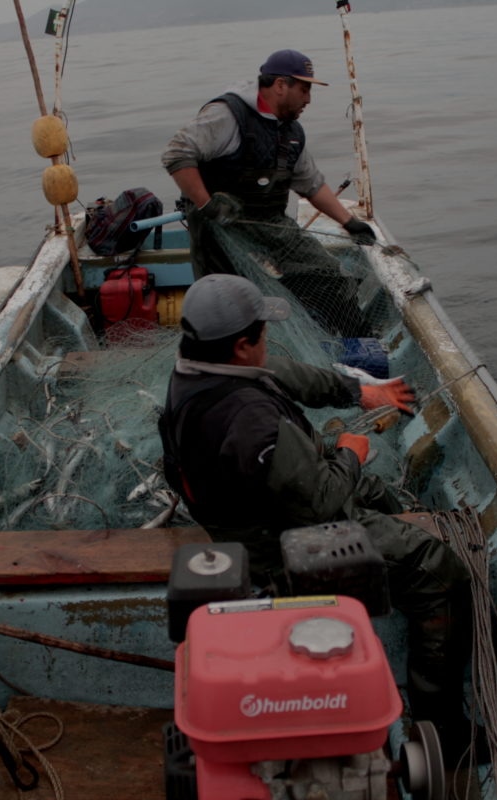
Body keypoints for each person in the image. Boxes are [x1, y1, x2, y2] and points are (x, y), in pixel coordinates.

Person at [158, 274, 475, 759]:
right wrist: (350, 453)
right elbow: (322, 504)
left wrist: (359, 392)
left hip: (258, 502)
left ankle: (393, 530)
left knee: (377, 495)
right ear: (243, 346)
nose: (269, 339)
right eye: (263, 332)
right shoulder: (251, 422)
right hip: (276, 546)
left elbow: (283, 373)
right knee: (438, 568)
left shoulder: (198, 367)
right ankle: (444, 737)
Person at [161, 49, 376, 336]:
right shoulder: (227, 115)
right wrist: (206, 204)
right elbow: (177, 155)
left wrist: (349, 222)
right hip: (218, 226)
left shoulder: (291, 132)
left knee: (326, 274)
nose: (309, 99)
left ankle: (349, 341)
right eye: (304, 89)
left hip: (269, 223)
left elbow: (311, 184)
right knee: (226, 301)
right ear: (280, 85)